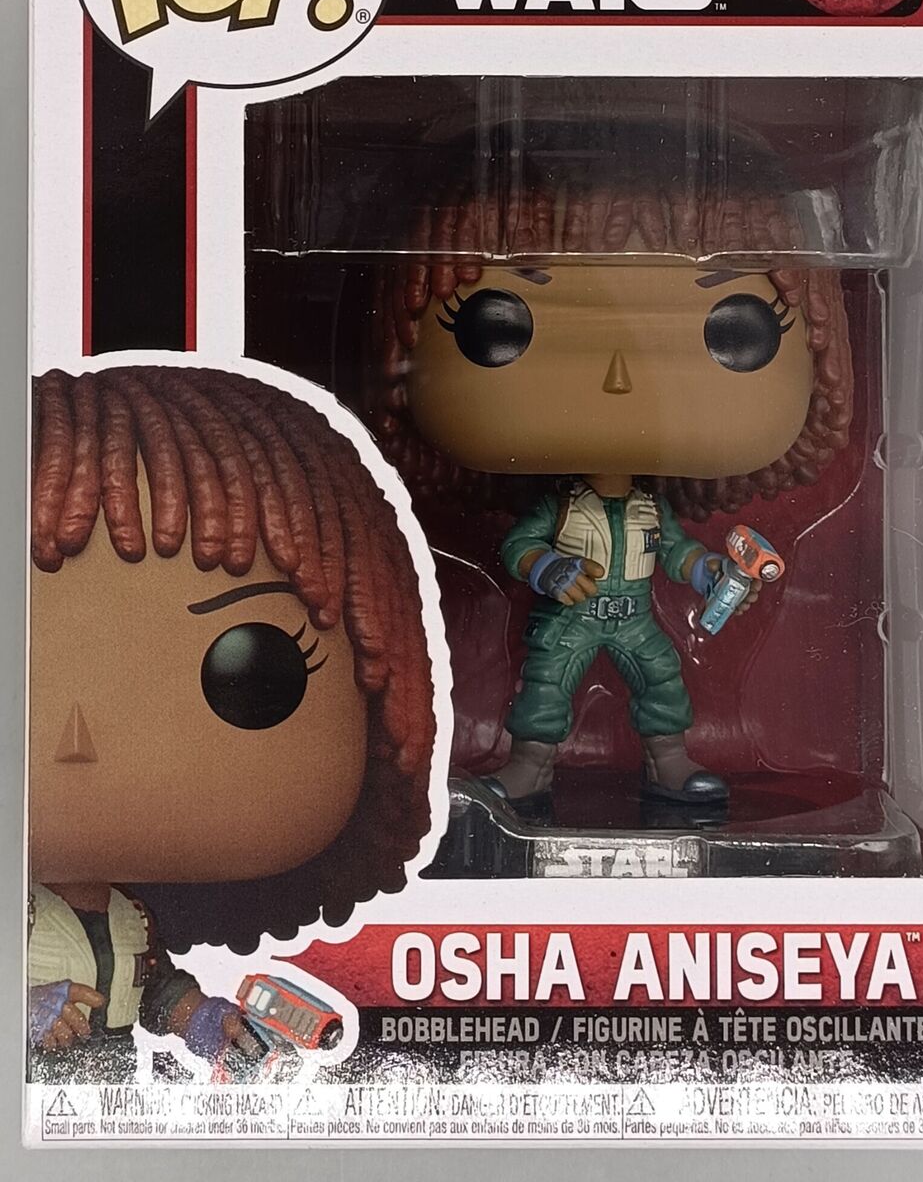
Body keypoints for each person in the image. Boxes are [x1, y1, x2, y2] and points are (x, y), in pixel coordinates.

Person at [362, 169, 853, 805]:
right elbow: (520, 546)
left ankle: (668, 762)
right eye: (500, 325)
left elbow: (674, 550)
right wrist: (548, 569)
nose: (619, 378)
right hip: (568, 616)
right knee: (545, 687)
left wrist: (709, 572)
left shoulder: (647, 506)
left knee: (663, 680)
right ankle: (530, 766)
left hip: (634, 614)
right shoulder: (561, 504)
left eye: (736, 331)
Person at [28, 365, 436, 1079]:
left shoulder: (131, 917)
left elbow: (157, 990)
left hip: (107, 1087)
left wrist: (207, 1020)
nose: (76, 739)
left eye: (249, 671)